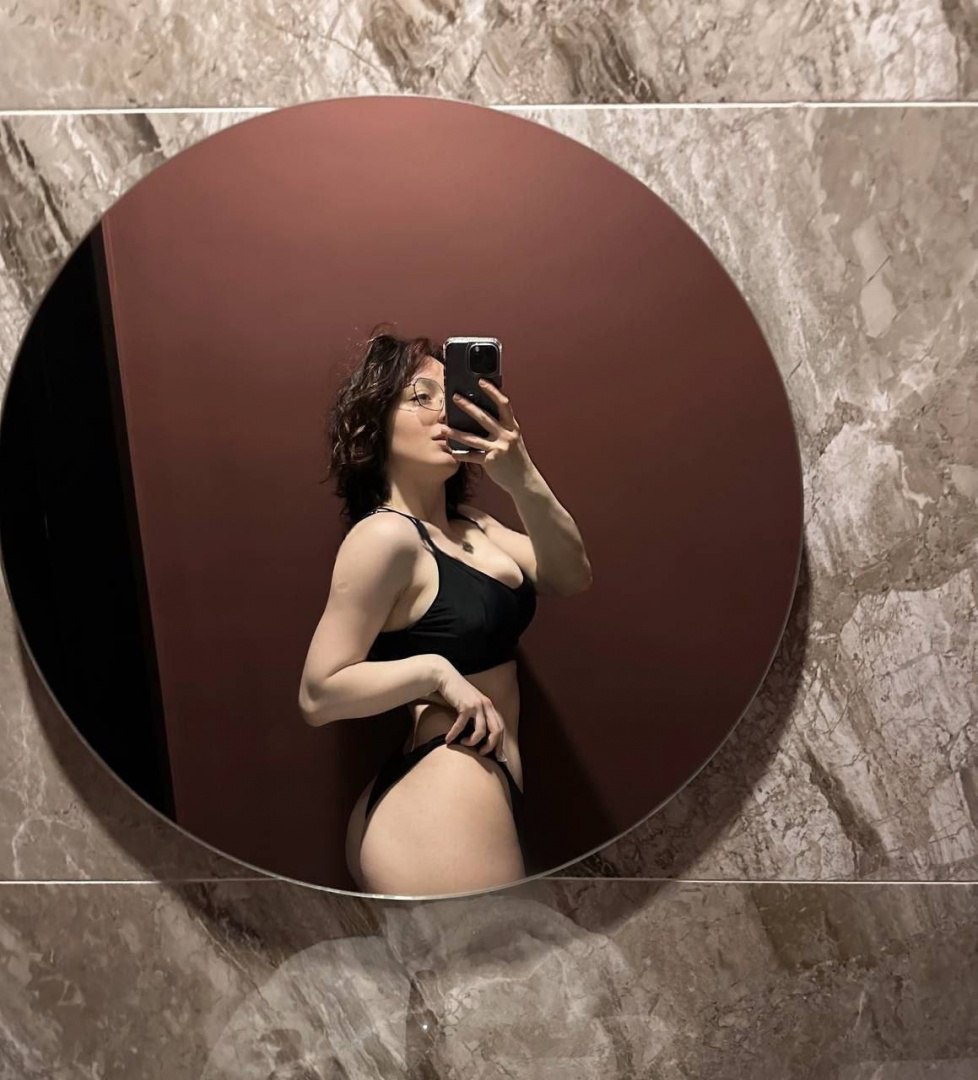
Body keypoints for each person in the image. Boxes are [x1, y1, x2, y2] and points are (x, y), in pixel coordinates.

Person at [298, 329, 592, 897]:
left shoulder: (476, 527)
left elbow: (570, 575)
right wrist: (435, 672)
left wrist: (521, 475)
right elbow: (317, 695)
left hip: (467, 782)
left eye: (450, 394)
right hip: (445, 785)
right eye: (420, 396)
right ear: (375, 423)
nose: (444, 411)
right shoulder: (385, 536)